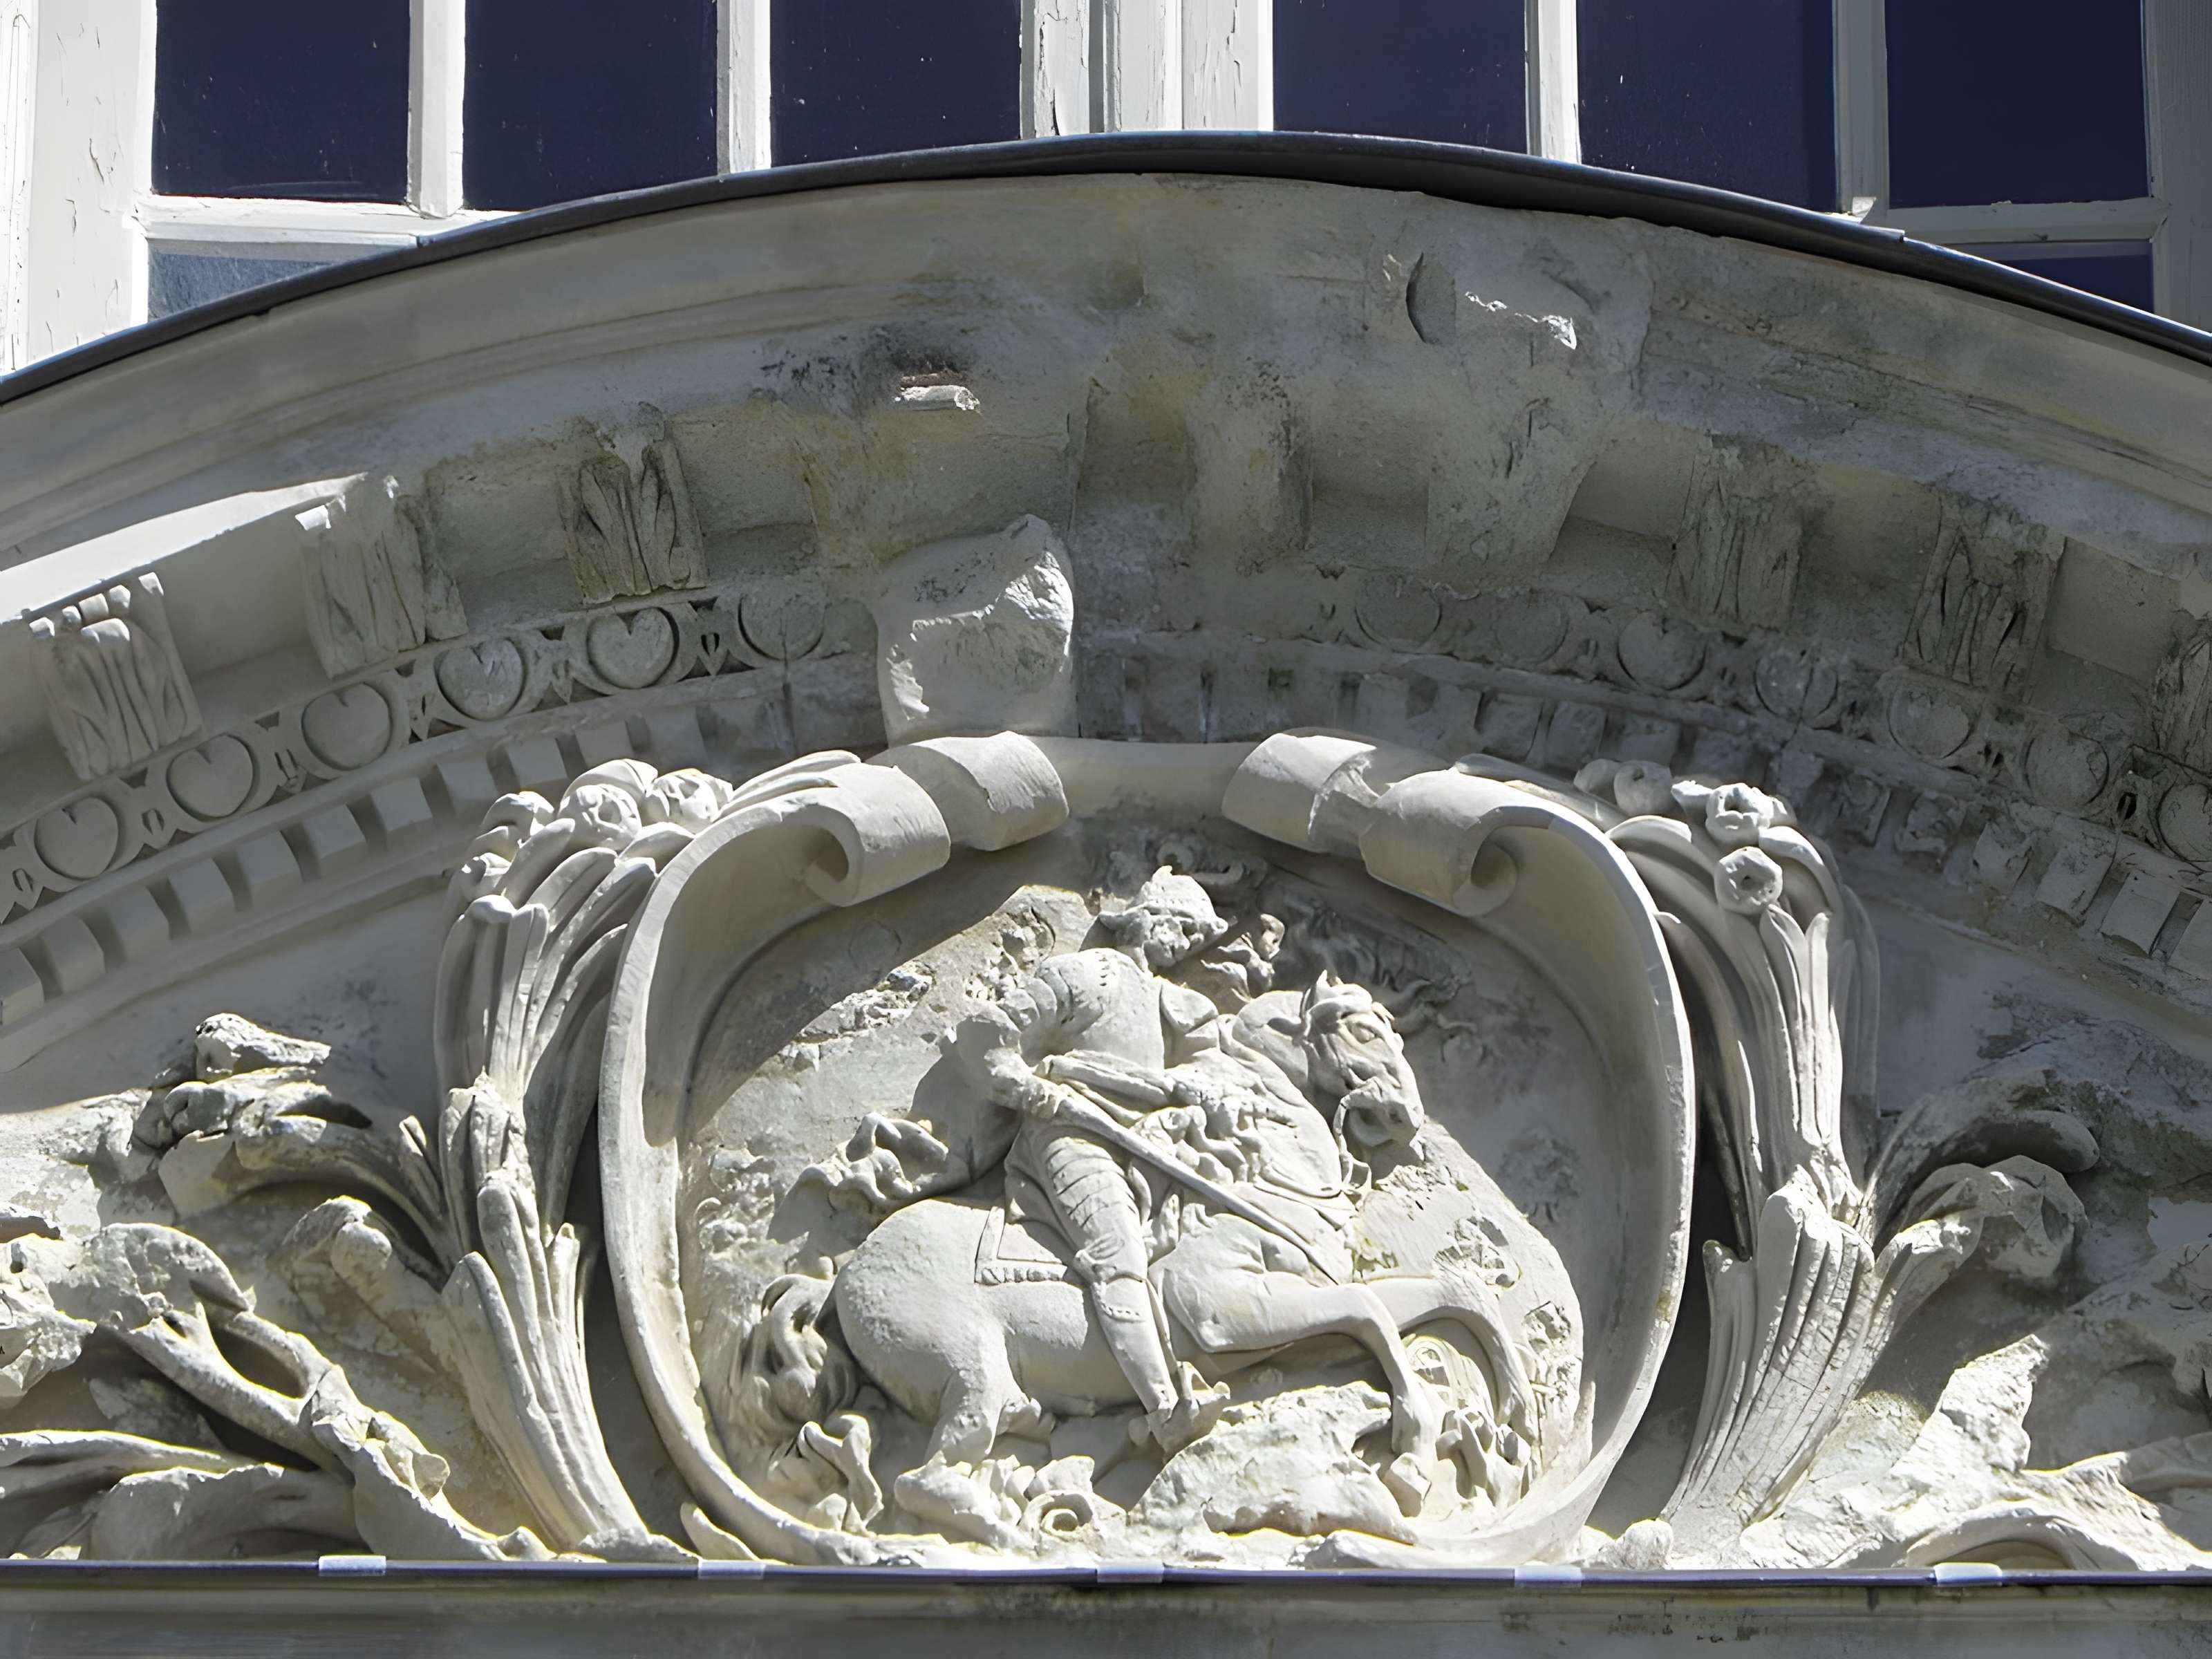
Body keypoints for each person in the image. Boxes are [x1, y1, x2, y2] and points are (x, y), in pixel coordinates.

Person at [964, 866, 1232, 1452]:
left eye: (1197, 938)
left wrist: (1197, 1087)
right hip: (1071, 1133)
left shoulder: (1173, 1002)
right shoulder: (1089, 976)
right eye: (1182, 928)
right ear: (1147, 918)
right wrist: (1031, 1090)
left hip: (1153, 1144)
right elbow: (987, 1035)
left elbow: (1212, 1067)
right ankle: (1165, 1408)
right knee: (1117, 1251)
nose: (1187, 944)